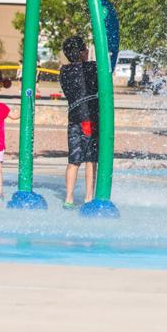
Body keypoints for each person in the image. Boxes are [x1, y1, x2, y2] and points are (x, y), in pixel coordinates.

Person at [59, 36, 99, 209]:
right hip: (89, 119)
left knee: (74, 160)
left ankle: (68, 198)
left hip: (74, 119)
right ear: (83, 52)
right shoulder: (91, 68)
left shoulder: (64, 71)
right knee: (91, 160)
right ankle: (89, 197)